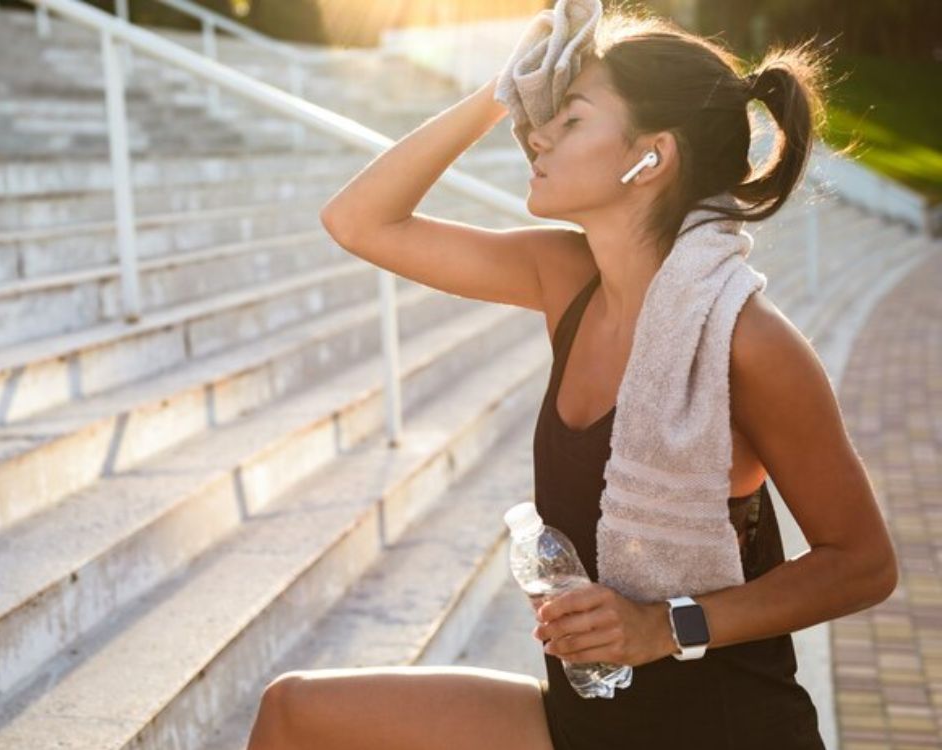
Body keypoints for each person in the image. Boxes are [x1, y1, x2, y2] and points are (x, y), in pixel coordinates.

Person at [245, 8, 898, 750]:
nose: (537, 134)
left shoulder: (746, 341)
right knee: (293, 713)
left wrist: (666, 625)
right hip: (586, 719)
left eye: (571, 119)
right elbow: (361, 221)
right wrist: (504, 90)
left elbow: (863, 563)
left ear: (650, 158)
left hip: (718, 728)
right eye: (539, 116)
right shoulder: (565, 279)